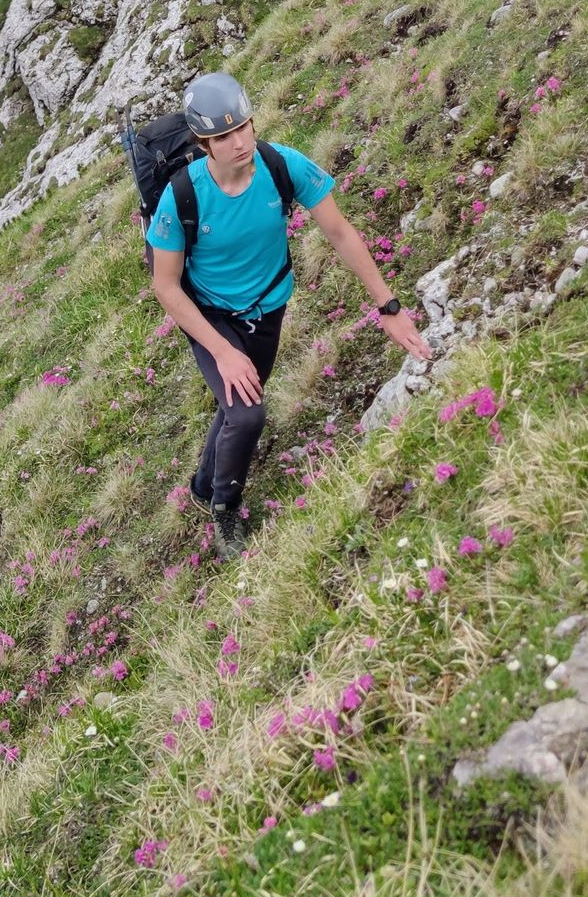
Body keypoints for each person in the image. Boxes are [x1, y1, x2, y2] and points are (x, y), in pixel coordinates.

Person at [147, 71, 433, 556]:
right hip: (210, 315)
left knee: (236, 402)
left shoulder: (282, 166)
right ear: (202, 143)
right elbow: (166, 286)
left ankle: (200, 485)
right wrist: (221, 351)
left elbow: (340, 233)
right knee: (248, 412)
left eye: (243, 127)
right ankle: (224, 510)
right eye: (222, 136)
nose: (239, 141)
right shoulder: (183, 195)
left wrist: (389, 308)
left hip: (269, 307)